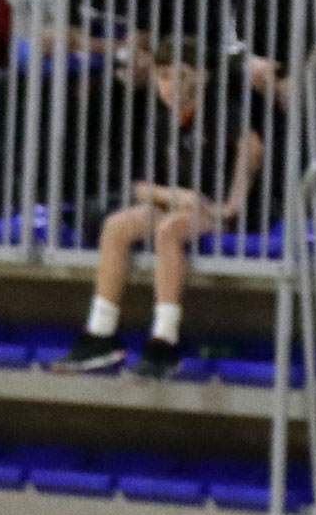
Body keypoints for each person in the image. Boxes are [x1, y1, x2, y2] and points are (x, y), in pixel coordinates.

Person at [53, 36, 266, 380]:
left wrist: (231, 205)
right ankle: (101, 334)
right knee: (117, 225)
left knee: (169, 231)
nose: (170, 86)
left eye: (180, 76)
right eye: (163, 76)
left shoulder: (219, 110)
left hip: (214, 210)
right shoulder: (158, 119)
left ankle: (165, 340)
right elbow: (140, 187)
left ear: (201, 75)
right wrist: (173, 195)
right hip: (178, 204)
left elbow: (252, 148)